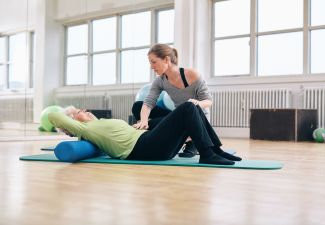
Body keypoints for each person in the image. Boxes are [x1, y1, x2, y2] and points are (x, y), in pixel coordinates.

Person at [48, 102, 242, 165]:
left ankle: (216, 150)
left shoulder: (99, 123)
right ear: (74, 122)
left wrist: (141, 125)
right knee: (188, 108)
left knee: (195, 109)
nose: (84, 111)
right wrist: (70, 114)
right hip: (144, 147)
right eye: (79, 112)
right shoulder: (85, 129)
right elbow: (55, 117)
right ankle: (207, 155)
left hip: (147, 141)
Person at [132, 43, 213, 157]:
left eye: (153, 62)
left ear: (166, 59)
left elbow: (208, 100)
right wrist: (144, 121)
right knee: (138, 106)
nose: (151, 66)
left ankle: (192, 140)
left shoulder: (192, 75)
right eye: (150, 62)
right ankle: (160, 136)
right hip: (179, 117)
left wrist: (198, 103)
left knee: (185, 115)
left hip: (197, 121)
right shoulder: (160, 81)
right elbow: (148, 102)